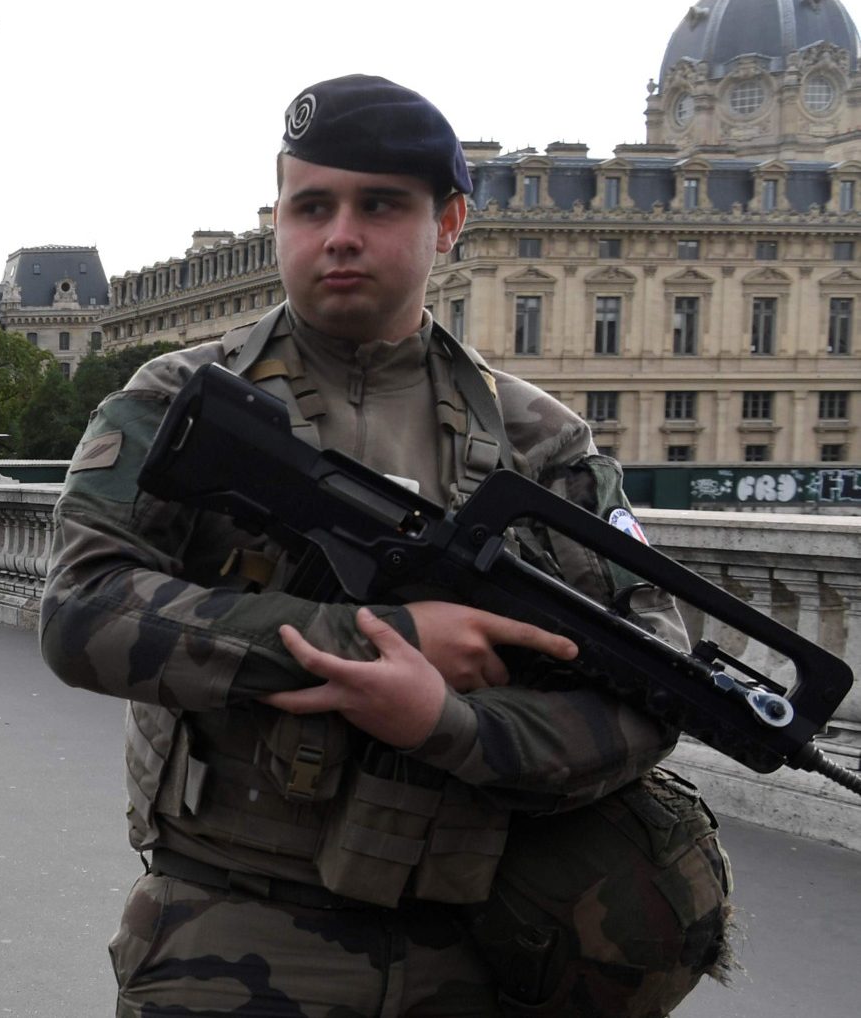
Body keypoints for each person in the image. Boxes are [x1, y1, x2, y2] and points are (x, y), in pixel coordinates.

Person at [39, 76, 727, 1016]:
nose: (341, 235)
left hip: (482, 943)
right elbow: (81, 614)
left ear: (449, 224)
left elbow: (653, 682)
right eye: (311, 205)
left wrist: (453, 725)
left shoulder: (542, 440)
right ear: (278, 218)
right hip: (227, 925)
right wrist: (377, 640)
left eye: (381, 205)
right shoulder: (173, 400)